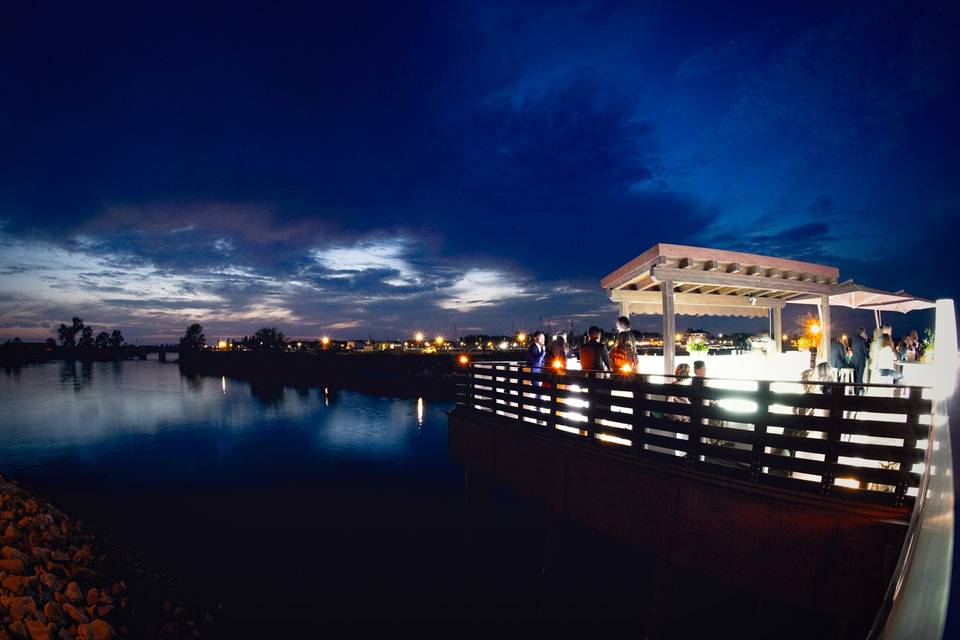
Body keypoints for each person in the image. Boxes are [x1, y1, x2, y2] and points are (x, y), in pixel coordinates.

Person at [851, 328, 869, 394]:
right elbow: (865, 351)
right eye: (864, 332)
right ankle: (857, 393)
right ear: (862, 332)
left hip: (855, 360)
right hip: (861, 361)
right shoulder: (863, 340)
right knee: (860, 377)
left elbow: (853, 349)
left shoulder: (853, 339)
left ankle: (856, 390)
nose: (865, 334)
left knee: (856, 376)